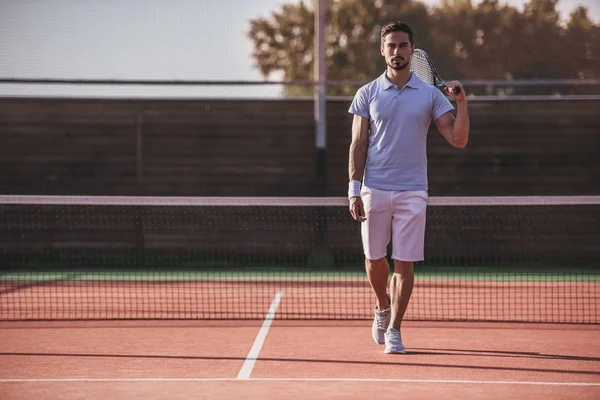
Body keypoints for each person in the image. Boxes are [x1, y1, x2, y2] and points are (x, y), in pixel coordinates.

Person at [347, 21, 469, 354]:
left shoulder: (431, 95)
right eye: (391, 46)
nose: (397, 51)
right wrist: (354, 189)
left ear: (412, 51)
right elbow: (358, 144)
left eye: (403, 46)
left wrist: (462, 103)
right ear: (382, 50)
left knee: (404, 263)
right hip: (373, 188)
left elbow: (457, 139)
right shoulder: (367, 93)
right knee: (374, 260)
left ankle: (396, 330)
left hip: (413, 190)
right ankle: (382, 306)